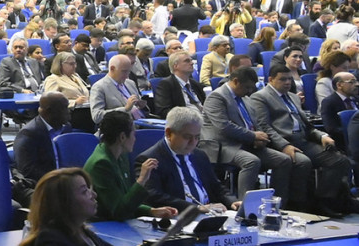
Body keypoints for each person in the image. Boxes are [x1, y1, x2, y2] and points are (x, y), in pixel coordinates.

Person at [249, 61, 352, 214]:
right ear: (270, 80)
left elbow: (307, 126)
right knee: (303, 162)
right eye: (283, 79)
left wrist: (322, 135)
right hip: (280, 142)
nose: (287, 82)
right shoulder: (260, 97)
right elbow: (264, 127)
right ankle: (297, 204)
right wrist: (284, 146)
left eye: (289, 79)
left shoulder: (292, 97)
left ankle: (323, 201)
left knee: (339, 160)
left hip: (303, 140)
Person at [204, 64, 286, 198]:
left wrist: (260, 138)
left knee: (283, 160)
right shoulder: (216, 97)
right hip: (223, 146)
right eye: (247, 87)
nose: (249, 91)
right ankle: (245, 207)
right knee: (251, 161)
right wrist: (253, 136)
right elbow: (224, 126)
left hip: (247, 143)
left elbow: (255, 122)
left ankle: (278, 203)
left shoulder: (245, 99)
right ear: (236, 81)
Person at [83, 110, 177, 222]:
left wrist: (151, 210)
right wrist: (141, 180)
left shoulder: (121, 156)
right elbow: (119, 211)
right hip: (104, 225)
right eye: (133, 134)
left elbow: (125, 200)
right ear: (122, 137)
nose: (135, 139)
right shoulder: (102, 164)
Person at [142, 106, 236, 212]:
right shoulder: (150, 159)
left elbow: (216, 186)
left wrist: (232, 201)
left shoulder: (199, 155)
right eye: (187, 137)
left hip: (209, 214)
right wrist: (196, 209)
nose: (193, 143)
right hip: (179, 217)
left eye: (197, 137)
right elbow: (154, 197)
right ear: (169, 133)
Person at [12, 91, 72, 187]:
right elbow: (27, 170)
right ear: (49, 111)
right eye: (64, 108)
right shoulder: (29, 133)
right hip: (45, 185)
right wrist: (58, 179)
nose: (69, 111)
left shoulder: (66, 127)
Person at [89, 54, 148, 123]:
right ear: (112, 69)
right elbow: (97, 117)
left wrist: (141, 106)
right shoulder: (99, 87)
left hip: (141, 123)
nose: (127, 75)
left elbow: (142, 110)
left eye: (129, 71)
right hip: (118, 129)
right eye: (124, 71)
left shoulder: (130, 83)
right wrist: (125, 109)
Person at [151, 50, 207, 118]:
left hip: (203, 118)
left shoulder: (195, 84)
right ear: (175, 66)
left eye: (191, 60)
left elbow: (206, 104)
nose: (192, 63)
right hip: (185, 121)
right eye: (187, 61)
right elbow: (163, 111)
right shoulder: (166, 84)